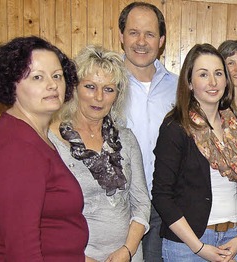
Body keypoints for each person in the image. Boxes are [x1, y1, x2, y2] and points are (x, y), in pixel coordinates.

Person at [152, 43, 237, 262]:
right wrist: (199, 248)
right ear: (189, 82)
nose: (213, 82)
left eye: (218, 73)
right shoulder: (176, 127)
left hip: (234, 241)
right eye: (203, 74)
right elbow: (162, 196)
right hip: (188, 246)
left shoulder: (236, 124)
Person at [49, 45, 151, 262]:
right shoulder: (51, 141)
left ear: (118, 94)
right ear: (74, 88)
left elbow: (141, 203)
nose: (98, 97)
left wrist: (128, 250)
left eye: (108, 89)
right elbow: (46, 216)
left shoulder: (126, 138)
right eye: (90, 86)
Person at [0, 36, 88, 260]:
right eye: (37, 77)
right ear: (12, 83)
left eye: (57, 76)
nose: (52, 84)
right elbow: (21, 247)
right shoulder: (19, 147)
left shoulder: (34, 135)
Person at [118, 2, 178, 260]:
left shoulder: (179, 88)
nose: (141, 41)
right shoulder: (105, 86)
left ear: (162, 40)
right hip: (118, 203)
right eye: (133, 32)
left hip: (166, 204)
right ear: (121, 36)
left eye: (150, 34)